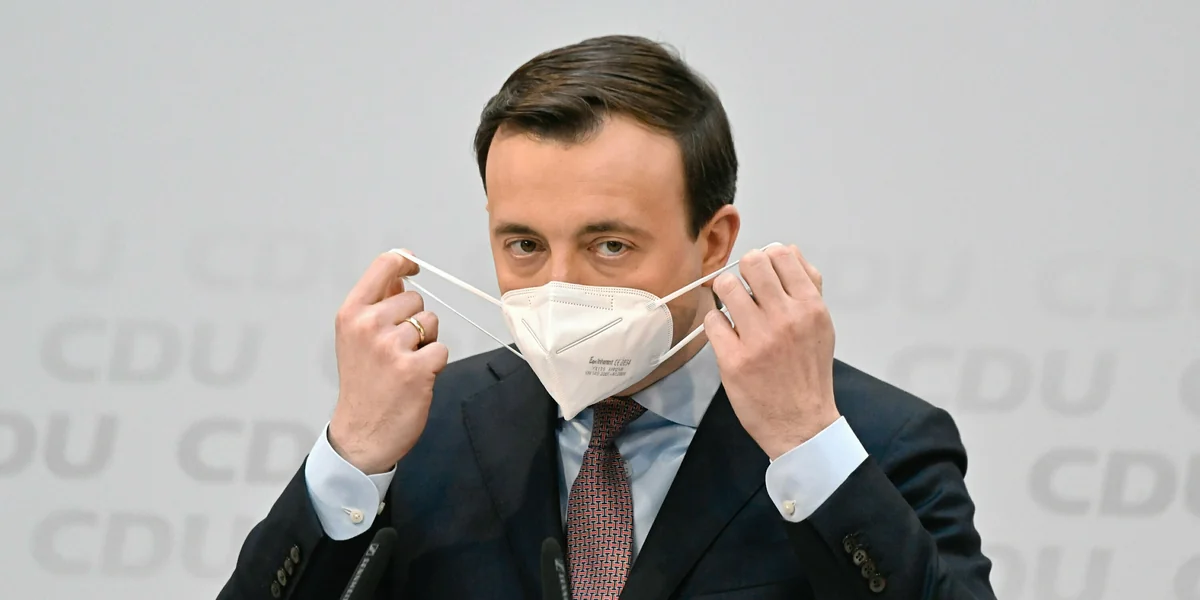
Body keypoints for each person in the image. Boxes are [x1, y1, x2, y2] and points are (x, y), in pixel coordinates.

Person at [218, 34, 996, 599]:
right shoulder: (423, 431)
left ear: (713, 241)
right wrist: (351, 457)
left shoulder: (874, 439)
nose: (559, 287)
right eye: (524, 245)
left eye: (610, 245)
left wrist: (806, 443)